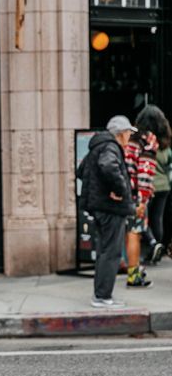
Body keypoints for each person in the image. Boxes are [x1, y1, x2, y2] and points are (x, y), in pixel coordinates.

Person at [78, 115, 135, 308]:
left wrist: (100, 189)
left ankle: (100, 295)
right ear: (120, 134)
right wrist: (118, 190)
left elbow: (81, 170)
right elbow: (108, 166)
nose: (129, 137)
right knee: (111, 252)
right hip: (111, 209)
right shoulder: (111, 147)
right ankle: (103, 296)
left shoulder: (97, 147)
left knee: (104, 251)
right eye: (128, 133)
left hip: (100, 208)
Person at [122, 107, 159, 287]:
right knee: (135, 233)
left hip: (123, 191)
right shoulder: (148, 140)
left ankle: (130, 267)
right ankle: (133, 274)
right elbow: (144, 171)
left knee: (127, 232)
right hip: (136, 194)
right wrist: (143, 199)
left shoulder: (130, 137)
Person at [140, 106, 172, 263]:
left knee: (143, 218)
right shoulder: (165, 142)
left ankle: (151, 245)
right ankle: (157, 248)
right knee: (157, 218)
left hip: (149, 184)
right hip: (164, 185)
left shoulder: (144, 141)